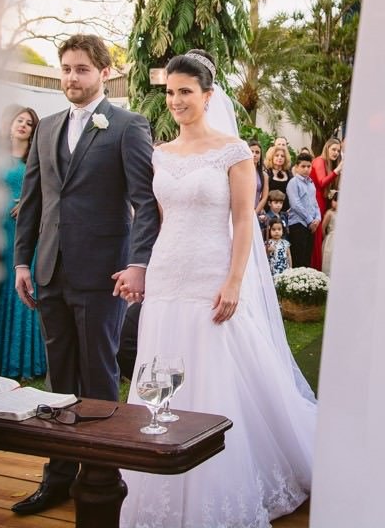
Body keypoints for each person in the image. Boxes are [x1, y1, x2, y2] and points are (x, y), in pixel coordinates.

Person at [120, 50, 316, 528]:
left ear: (208, 96)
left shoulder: (234, 151)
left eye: (185, 91)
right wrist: (145, 268)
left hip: (213, 272)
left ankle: (219, 479)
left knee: (214, 370)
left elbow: (243, 219)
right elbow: (162, 218)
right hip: (168, 274)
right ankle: (156, 469)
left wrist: (233, 280)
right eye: (170, 92)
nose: (176, 100)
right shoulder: (160, 153)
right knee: (164, 368)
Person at [10, 34, 160, 516]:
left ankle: (99, 479)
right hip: (50, 272)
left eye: (81, 69)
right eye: (66, 69)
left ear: (103, 72)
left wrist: (137, 264)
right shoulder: (47, 127)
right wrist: (21, 262)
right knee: (58, 382)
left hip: (102, 277)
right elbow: (32, 201)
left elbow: (145, 202)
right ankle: (56, 477)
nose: (71, 77)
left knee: (97, 378)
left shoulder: (127, 125)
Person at [0, 106, 46, 380]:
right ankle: (0, 360)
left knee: (20, 291)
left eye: (28, 123)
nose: (23, 125)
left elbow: (47, 191)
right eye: (19, 121)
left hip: (23, 231)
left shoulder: (34, 159)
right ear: (10, 125)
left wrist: (26, 203)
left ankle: (26, 363)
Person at [309, 138, 342, 271]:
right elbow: (322, 182)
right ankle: (314, 269)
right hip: (315, 201)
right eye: (333, 149)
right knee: (316, 237)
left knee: (320, 237)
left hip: (324, 200)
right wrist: (337, 171)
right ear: (327, 148)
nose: (336, 153)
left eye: (338, 151)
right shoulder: (319, 161)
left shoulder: (330, 164)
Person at [286, 152, 321, 269]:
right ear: (296, 167)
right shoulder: (293, 182)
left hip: (311, 225)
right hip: (298, 224)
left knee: (307, 258)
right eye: (303, 166)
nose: (306, 169)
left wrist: (317, 219)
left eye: (309, 166)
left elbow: (315, 203)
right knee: (298, 258)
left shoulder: (311, 184)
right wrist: (310, 220)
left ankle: (305, 286)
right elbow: (295, 204)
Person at [247, 138, 269, 230]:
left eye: (257, 152)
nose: (254, 154)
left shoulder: (264, 175)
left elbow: (264, 197)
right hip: (242, 212)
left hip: (256, 212)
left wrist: (255, 213)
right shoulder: (240, 172)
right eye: (251, 151)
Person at [265, 143, 292, 212]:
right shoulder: (267, 173)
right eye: (277, 155)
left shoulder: (289, 174)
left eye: (282, 156)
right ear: (271, 157)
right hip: (270, 211)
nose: (279, 158)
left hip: (286, 211)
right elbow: (264, 194)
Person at [321, 189, 339, 277]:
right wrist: (326, 237)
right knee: (329, 257)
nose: (336, 203)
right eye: (334, 200)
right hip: (331, 238)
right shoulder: (330, 213)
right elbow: (323, 227)